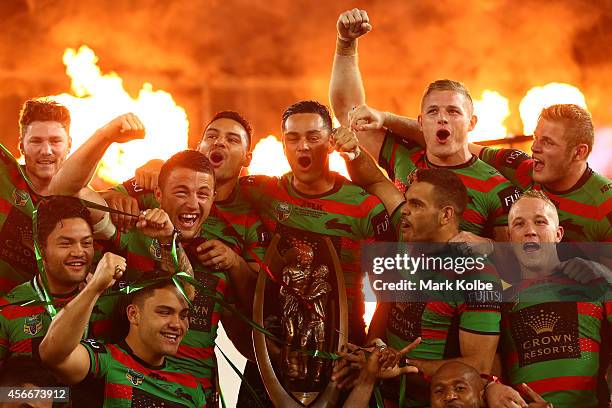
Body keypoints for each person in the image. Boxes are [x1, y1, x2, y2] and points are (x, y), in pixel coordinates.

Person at [236, 100, 395, 406]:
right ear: (283, 145)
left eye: (313, 137)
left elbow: (387, 292)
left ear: (330, 142)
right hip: (275, 352)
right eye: (293, 138)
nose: (302, 147)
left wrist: (368, 349)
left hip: (342, 353)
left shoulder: (365, 207)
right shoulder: (265, 193)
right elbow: (211, 186)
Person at [329, 9, 521, 242]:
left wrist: (486, 245)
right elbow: (347, 111)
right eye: (433, 111)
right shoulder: (402, 155)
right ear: (421, 122)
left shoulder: (497, 187)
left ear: (471, 123)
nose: (442, 118)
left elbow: (514, 262)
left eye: (453, 111)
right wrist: (346, 45)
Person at [330, 159, 501, 406]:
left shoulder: (476, 274)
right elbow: (375, 181)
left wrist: (401, 366)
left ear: (446, 215)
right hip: (383, 396)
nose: (405, 210)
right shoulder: (406, 235)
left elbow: (479, 366)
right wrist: (370, 354)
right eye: (406, 200)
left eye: (416, 204)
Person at [99, 110, 266, 360]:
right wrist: (114, 198)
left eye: (232, 139)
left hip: (196, 369)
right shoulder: (164, 179)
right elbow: (91, 203)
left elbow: (257, 298)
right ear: (198, 146)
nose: (219, 142)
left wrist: (234, 262)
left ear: (247, 157)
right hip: (132, 356)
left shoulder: (251, 213)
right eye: (212, 136)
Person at [484, 189, 611, 408]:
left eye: (540, 222)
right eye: (519, 224)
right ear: (510, 237)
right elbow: (490, 368)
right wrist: (491, 387)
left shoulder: (595, 283)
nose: (530, 231)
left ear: (559, 234)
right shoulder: (498, 299)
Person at [39, 254, 207, 407]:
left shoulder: (191, 387)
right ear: (133, 314)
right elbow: (52, 355)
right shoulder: (104, 361)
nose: (177, 324)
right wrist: (96, 286)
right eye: (164, 312)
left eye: (183, 315)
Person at [0, 196, 114, 363]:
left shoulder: (113, 300)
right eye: (66, 244)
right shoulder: (8, 310)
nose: (79, 252)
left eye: (86, 243)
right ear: (40, 247)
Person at [0, 98, 72, 295]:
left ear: (69, 145)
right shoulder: (4, 175)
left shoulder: (85, 200)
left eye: (55, 141)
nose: (46, 151)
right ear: (21, 146)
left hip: (50, 318)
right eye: (36, 141)